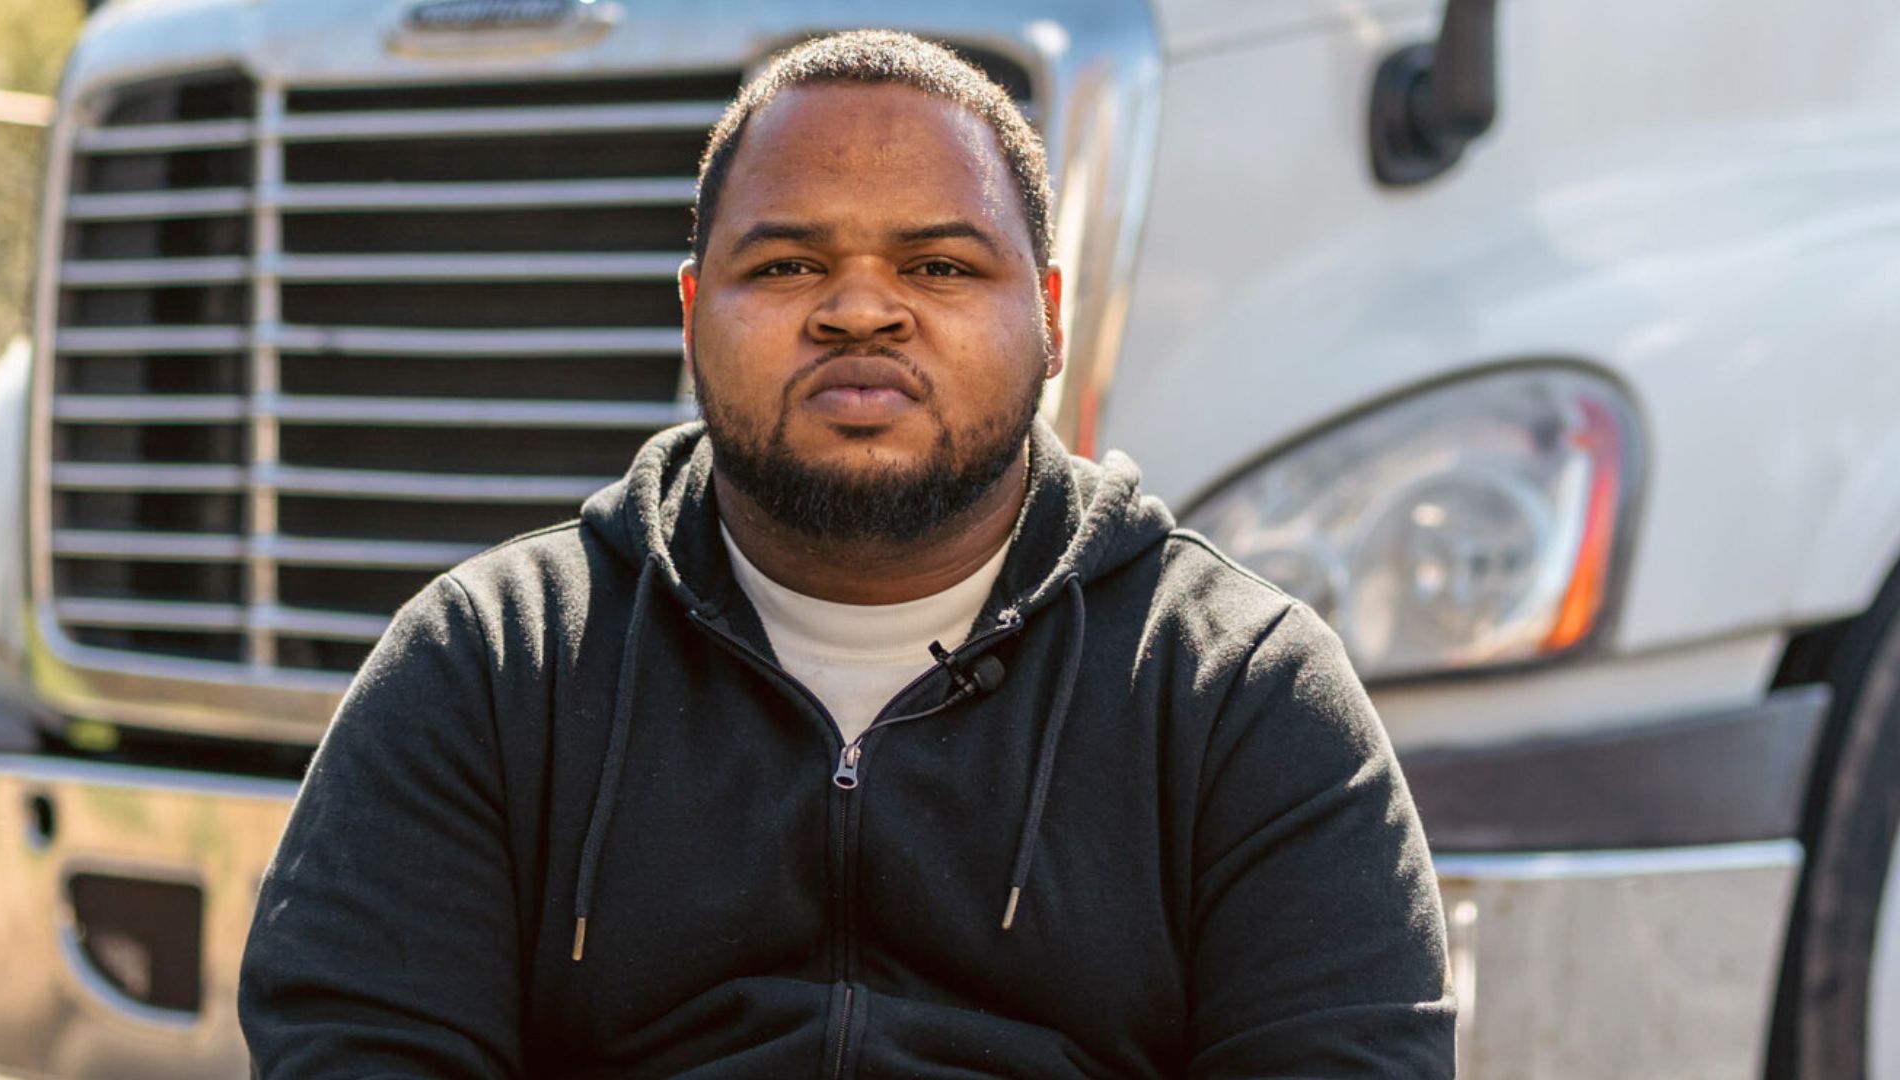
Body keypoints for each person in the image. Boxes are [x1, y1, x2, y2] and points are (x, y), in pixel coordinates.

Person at [239, 30, 1455, 1078]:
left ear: (1049, 314)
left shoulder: (1239, 692)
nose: (861, 310)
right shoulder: (494, 663)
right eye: (786, 266)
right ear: (690, 310)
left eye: (938, 265)